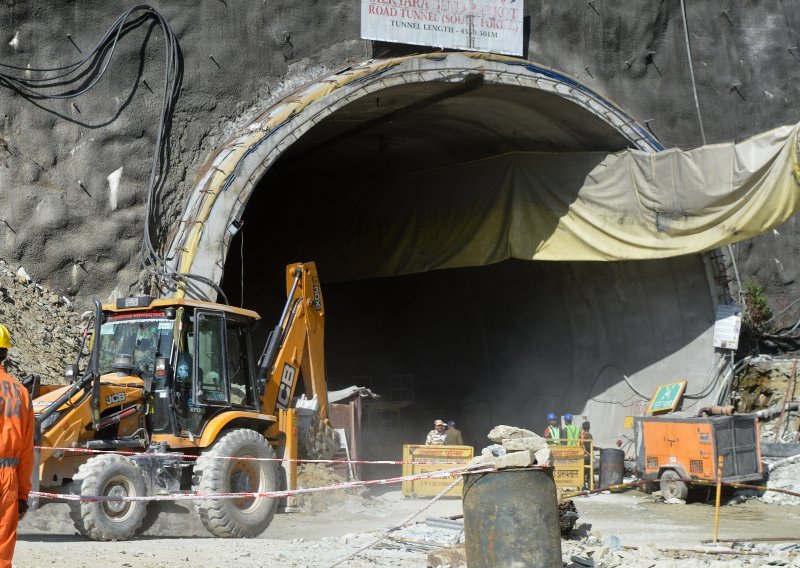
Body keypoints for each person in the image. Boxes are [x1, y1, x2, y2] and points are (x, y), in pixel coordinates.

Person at [0, 324, 34, 568]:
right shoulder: (21, 393)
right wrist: (22, 495)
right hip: (8, 479)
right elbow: (26, 451)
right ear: (5, 354)